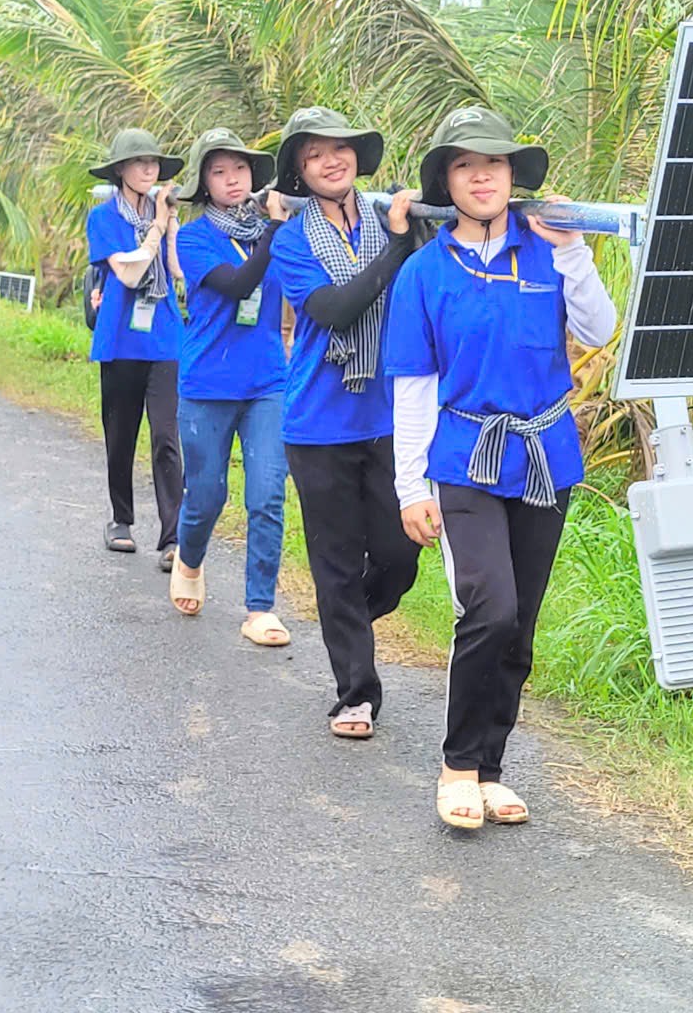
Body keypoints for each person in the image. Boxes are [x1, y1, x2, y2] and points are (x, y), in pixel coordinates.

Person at [384, 106, 616, 829]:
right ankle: (456, 765)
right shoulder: (425, 270)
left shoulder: (549, 249)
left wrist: (575, 251)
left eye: (494, 162)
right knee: (490, 608)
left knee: (522, 626)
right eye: (463, 163)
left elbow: (600, 330)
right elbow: (415, 384)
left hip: (546, 454)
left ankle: (491, 768)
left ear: (514, 177)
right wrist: (408, 487)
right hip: (462, 456)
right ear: (446, 180)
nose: (481, 174)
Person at [269, 107, 421, 738]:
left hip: (388, 418)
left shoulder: (393, 219)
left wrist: (403, 237)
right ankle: (356, 691)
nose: (332, 161)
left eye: (341, 149)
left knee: (400, 553)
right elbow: (333, 308)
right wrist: (395, 247)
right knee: (334, 560)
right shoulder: (291, 239)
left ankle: (343, 618)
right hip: (318, 424)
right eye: (315, 154)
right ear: (301, 173)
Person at [168, 128, 291, 647]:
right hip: (207, 384)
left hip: (267, 382)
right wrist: (274, 231)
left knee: (267, 495)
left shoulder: (273, 231)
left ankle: (259, 607)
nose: (232, 179)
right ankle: (189, 557)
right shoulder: (194, 238)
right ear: (203, 183)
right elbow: (239, 285)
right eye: (219, 171)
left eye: (239, 169)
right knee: (209, 495)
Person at [86, 129, 185, 569]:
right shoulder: (103, 218)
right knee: (121, 434)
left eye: (154, 163)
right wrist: (156, 230)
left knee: (166, 436)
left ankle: (172, 536)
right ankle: (121, 519)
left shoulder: (166, 216)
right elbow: (126, 274)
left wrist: (170, 228)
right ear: (120, 171)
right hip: (121, 339)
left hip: (164, 336)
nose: (149, 170)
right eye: (139, 162)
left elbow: (177, 272)